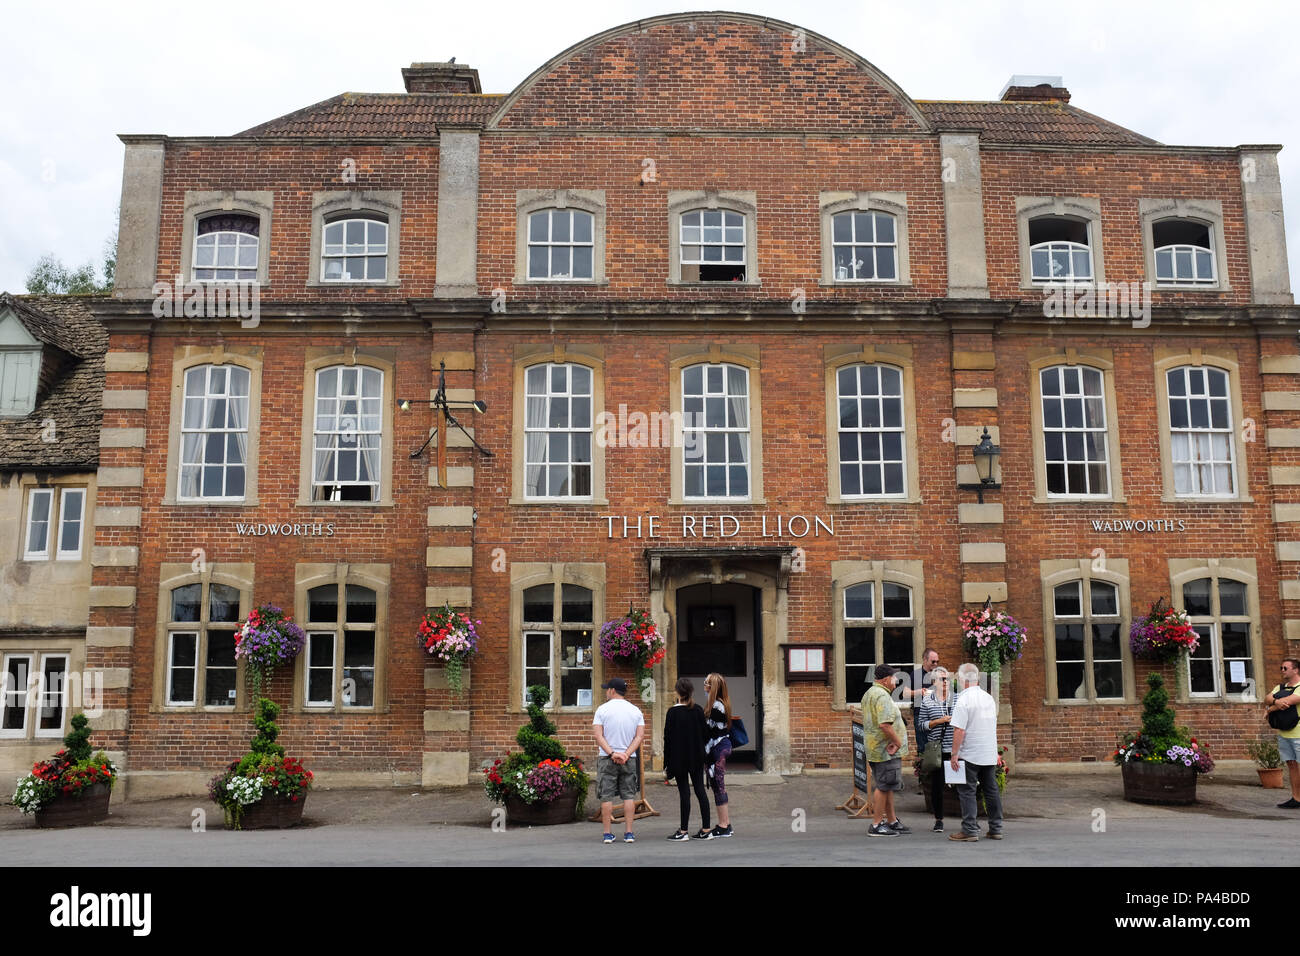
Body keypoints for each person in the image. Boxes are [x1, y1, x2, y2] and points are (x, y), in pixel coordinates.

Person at [948, 663, 1002, 842]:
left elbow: (959, 731)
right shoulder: (988, 698)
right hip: (987, 752)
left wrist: (954, 754)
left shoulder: (963, 700)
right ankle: (996, 828)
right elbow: (991, 727)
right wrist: (994, 751)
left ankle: (970, 830)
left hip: (970, 753)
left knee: (967, 791)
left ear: (962, 680)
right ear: (977, 679)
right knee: (991, 791)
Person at [592, 677, 646, 844]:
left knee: (606, 796)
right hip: (628, 759)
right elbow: (639, 736)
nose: (606, 692)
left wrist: (612, 753)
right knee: (629, 795)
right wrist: (626, 754)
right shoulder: (636, 711)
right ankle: (629, 833)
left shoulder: (602, 710)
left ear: (612, 690)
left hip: (607, 758)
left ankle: (607, 834)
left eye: (607, 689)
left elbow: (598, 736)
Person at [862, 663, 910, 836]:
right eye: (894, 677)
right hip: (885, 750)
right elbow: (885, 725)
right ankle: (876, 824)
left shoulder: (870, 693)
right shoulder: (882, 696)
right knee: (883, 786)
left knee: (887, 785)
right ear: (885, 679)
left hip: (876, 748)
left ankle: (892, 821)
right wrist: (896, 742)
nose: (896, 680)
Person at [662, 677, 712, 840]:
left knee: (685, 794)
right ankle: (706, 829)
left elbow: (667, 740)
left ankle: (683, 831)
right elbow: (706, 734)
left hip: (679, 759)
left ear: (677, 692)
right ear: (691, 692)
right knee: (700, 791)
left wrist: (666, 765)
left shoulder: (672, 712)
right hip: (696, 757)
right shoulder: (697, 710)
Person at [916, 666, 955, 832]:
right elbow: (921, 725)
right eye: (942, 679)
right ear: (934, 682)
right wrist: (939, 721)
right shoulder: (927, 700)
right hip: (937, 750)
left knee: (964, 784)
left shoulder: (957, 698)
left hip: (955, 749)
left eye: (947, 678)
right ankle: (939, 819)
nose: (945, 682)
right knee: (937, 786)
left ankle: (969, 819)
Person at [703, 672, 735, 838]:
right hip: (719, 747)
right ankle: (726, 823)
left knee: (718, 784)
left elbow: (709, 731)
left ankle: (723, 825)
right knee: (717, 785)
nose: (704, 685)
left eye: (706, 683)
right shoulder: (718, 704)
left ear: (712, 687)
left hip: (719, 748)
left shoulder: (717, 707)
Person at [1265, 658, 1300, 809]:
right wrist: (1275, 702)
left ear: (1296, 670)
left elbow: (1290, 701)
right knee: (1291, 765)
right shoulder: (1279, 687)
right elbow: (1267, 698)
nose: (1282, 670)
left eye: (1285, 668)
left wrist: (1271, 708)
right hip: (1284, 733)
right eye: (1281, 668)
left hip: (1298, 733)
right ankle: (1296, 798)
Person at [901, 648, 941, 750]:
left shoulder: (940, 674)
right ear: (925, 660)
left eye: (937, 661)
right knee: (923, 747)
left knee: (939, 746)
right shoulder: (916, 674)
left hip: (938, 715)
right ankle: (923, 766)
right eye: (933, 661)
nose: (936, 664)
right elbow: (905, 694)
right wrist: (920, 692)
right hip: (920, 714)